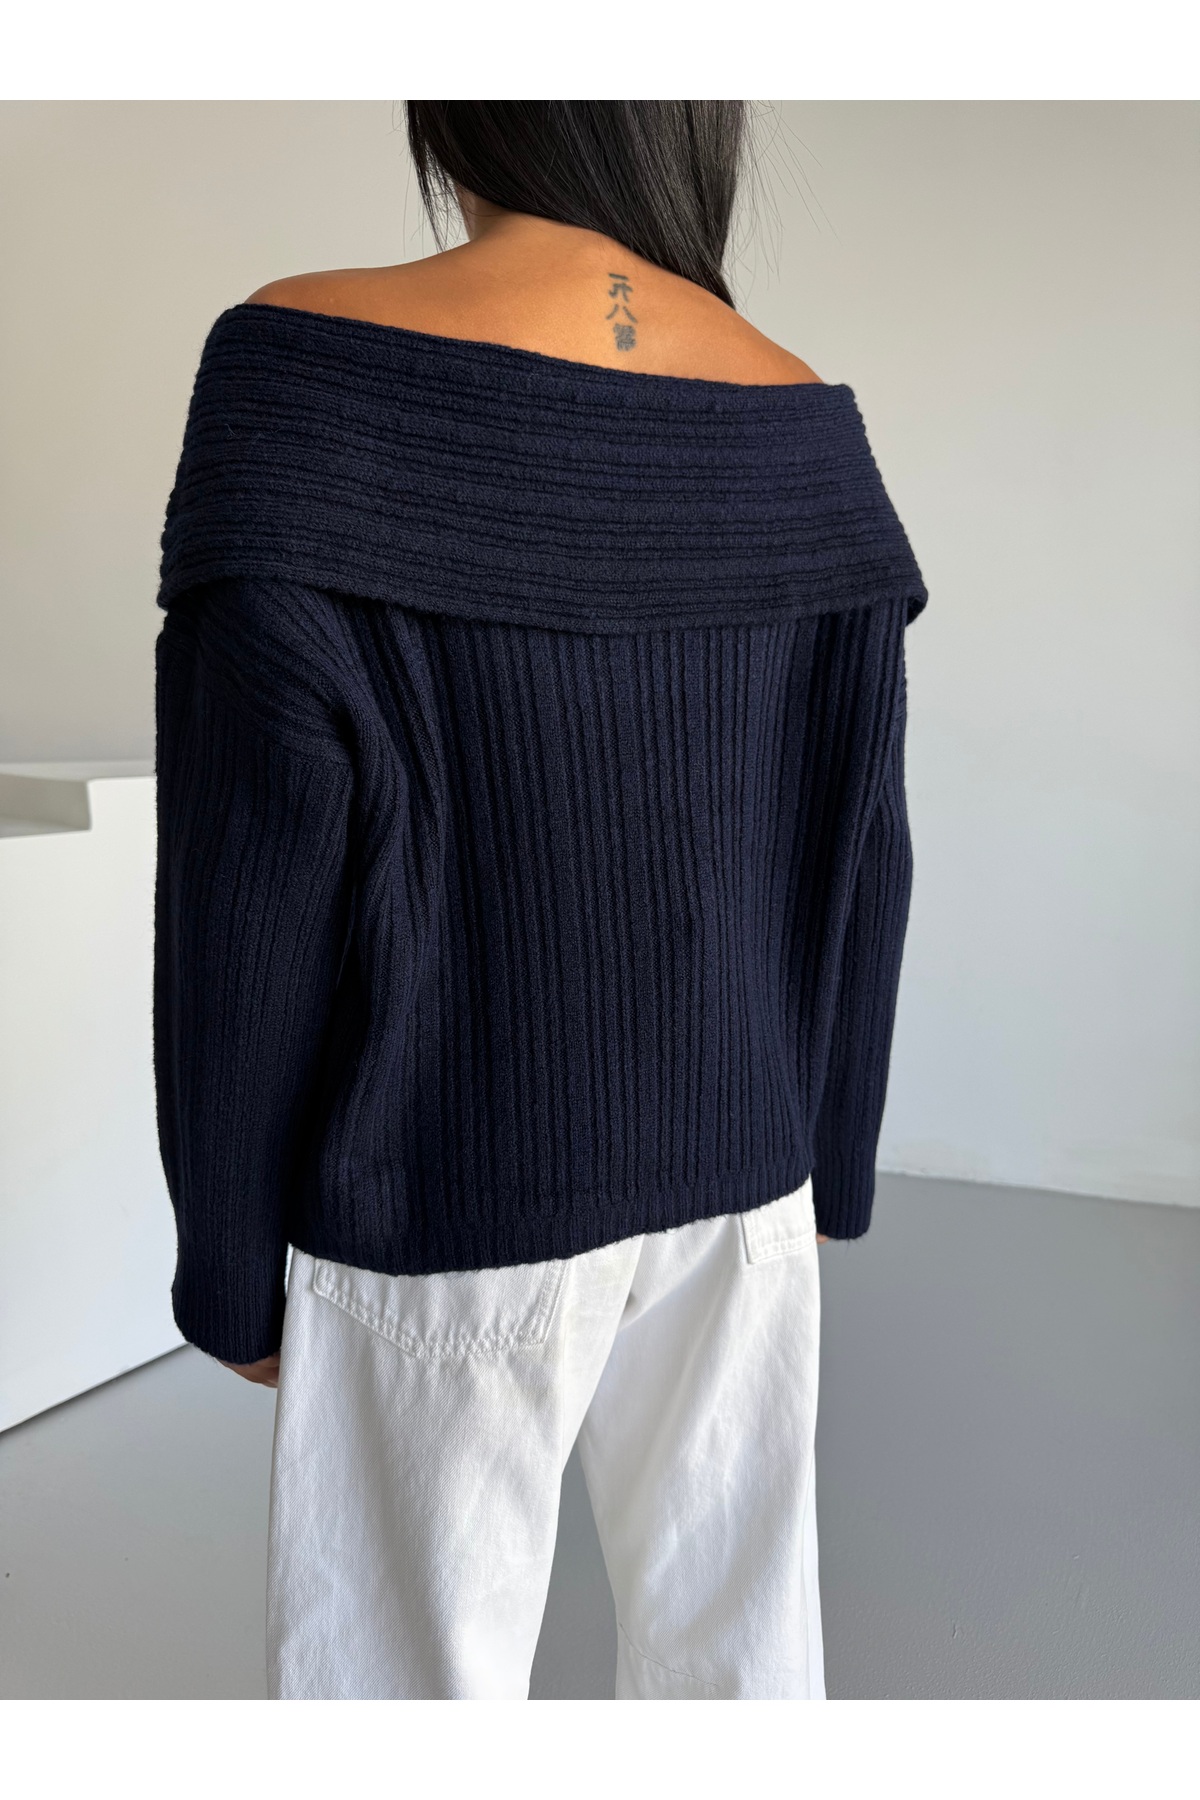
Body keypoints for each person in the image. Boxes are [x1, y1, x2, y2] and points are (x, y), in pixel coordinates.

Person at [152, 100, 928, 1700]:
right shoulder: (804, 417)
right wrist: (828, 1168)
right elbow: (866, 843)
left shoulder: (300, 375)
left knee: (402, 1689)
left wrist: (227, 1261)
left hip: (442, 1184)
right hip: (743, 1186)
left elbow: (248, 881)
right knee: (740, 1673)